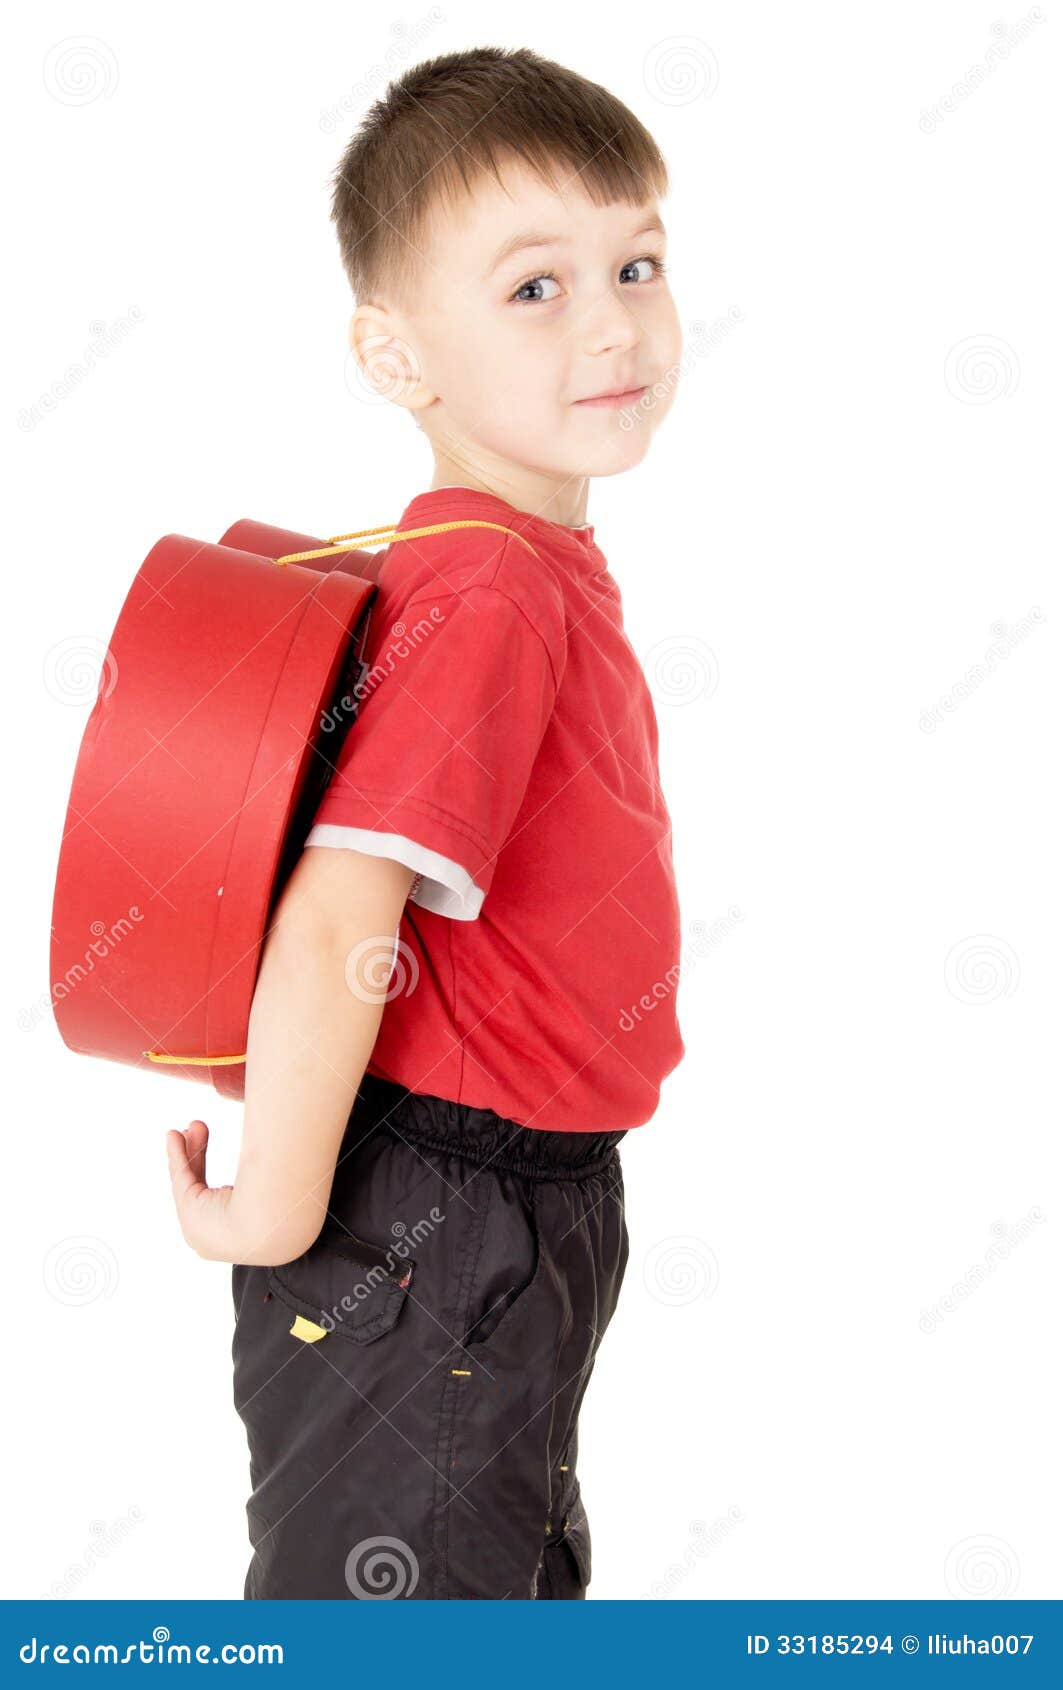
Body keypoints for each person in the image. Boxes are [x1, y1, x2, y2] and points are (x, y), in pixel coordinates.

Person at [165, 43, 686, 1600]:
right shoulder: (490, 591)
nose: (613, 321)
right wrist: (273, 1203)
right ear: (397, 358)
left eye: (637, 261)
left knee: (490, 1593)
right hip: (431, 1212)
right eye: (536, 287)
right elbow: (342, 914)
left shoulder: (517, 561)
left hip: (521, 1199)